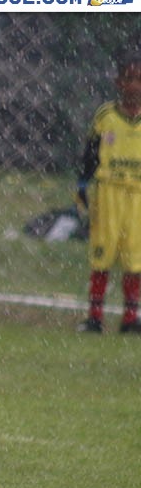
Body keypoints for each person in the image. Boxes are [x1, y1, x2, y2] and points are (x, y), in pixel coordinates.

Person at [77, 54, 141, 334]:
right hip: (109, 193)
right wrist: (82, 184)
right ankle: (95, 317)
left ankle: (130, 319)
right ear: (118, 82)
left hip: (138, 195)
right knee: (102, 255)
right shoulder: (106, 116)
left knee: (135, 258)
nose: (134, 85)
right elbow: (90, 154)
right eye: (129, 78)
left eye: (139, 79)